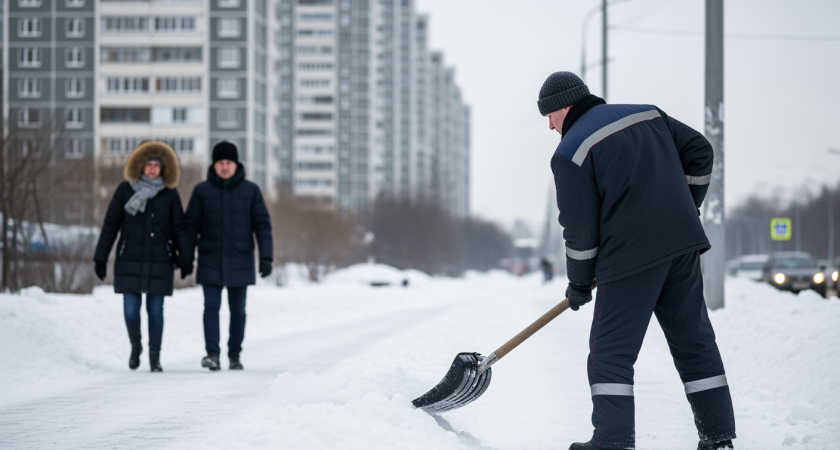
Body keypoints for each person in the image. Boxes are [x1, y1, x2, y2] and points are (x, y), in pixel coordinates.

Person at [539, 72, 736, 450]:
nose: (550, 126)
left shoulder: (571, 152)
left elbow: (580, 232)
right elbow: (701, 152)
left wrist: (579, 282)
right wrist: (684, 207)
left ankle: (612, 442)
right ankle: (718, 438)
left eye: (549, 116)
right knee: (695, 343)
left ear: (565, 106)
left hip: (629, 258)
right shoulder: (647, 114)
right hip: (681, 246)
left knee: (610, 353)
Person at [93, 142, 193, 372]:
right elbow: (111, 225)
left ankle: (155, 356)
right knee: (130, 311)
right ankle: (135, 345)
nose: (152, 169)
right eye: (148, 165)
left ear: (163, 168)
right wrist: (100, 257)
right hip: (130, 259)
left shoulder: (169, 194)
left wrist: (187, 258)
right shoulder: (125, 190)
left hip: (160, 262)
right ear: (139, 166)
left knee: (156, 312)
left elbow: (179, 228)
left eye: (157, 165)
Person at [185, 141, 273, 371]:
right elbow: (190, 227)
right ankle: (212, 354)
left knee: (238, 311)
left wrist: (266, 257)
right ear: (214, 165)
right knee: (211, 307)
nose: (225, 167)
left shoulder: (251, 191)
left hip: (240, 259)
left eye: (229, 162)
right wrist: (186, 257)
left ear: (236, 164)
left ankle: (235, 355)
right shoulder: (202, 191)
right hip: (210, 259)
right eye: (221, 162)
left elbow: (262, 226)